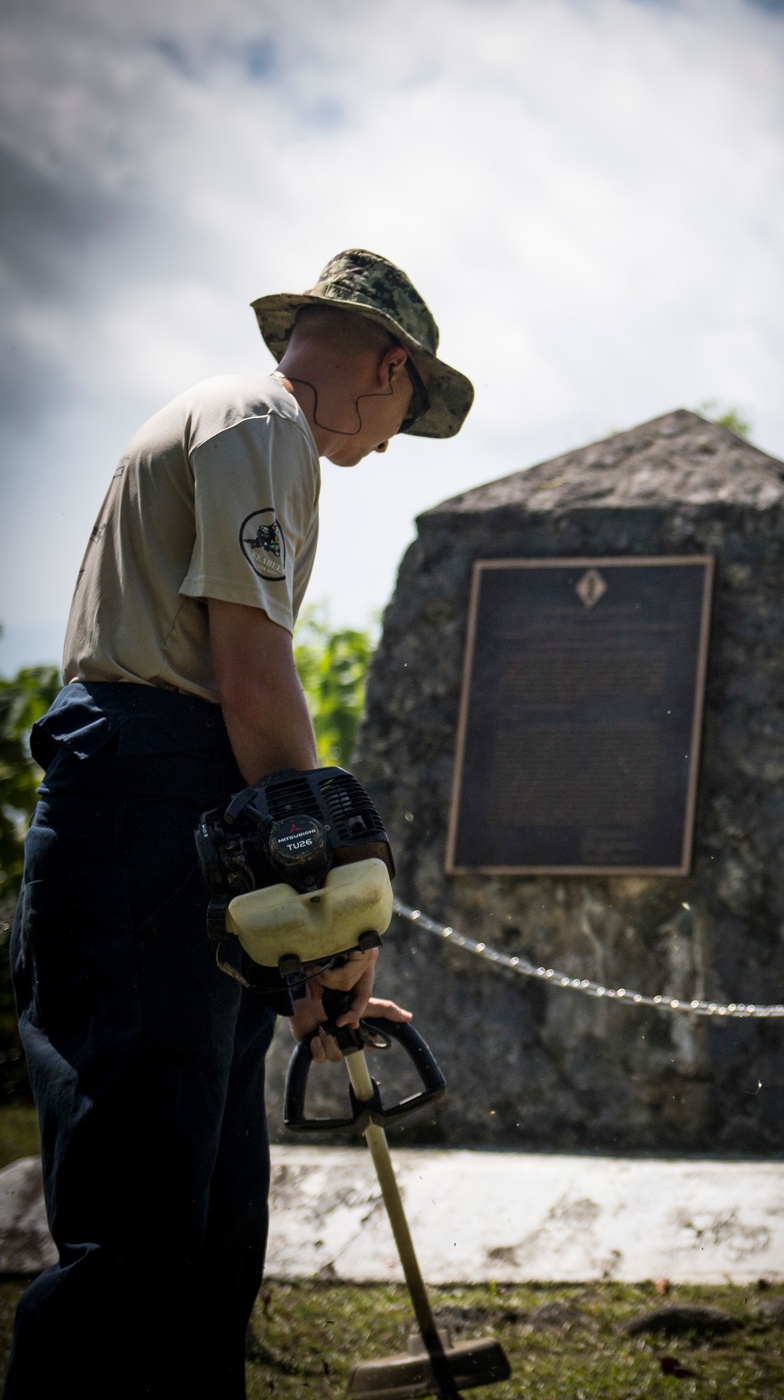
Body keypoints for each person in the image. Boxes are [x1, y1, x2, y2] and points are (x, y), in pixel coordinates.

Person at [5, 249, 474, 1398]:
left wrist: (298, 962)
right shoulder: (262, 421)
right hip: (141, 798)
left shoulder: (246, 426)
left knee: (210, 1224)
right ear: (391, 366)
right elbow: (254, 679)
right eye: (406, 412)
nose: (387, 439)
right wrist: (325, 904)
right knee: (139, 1231)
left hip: (183, 811)